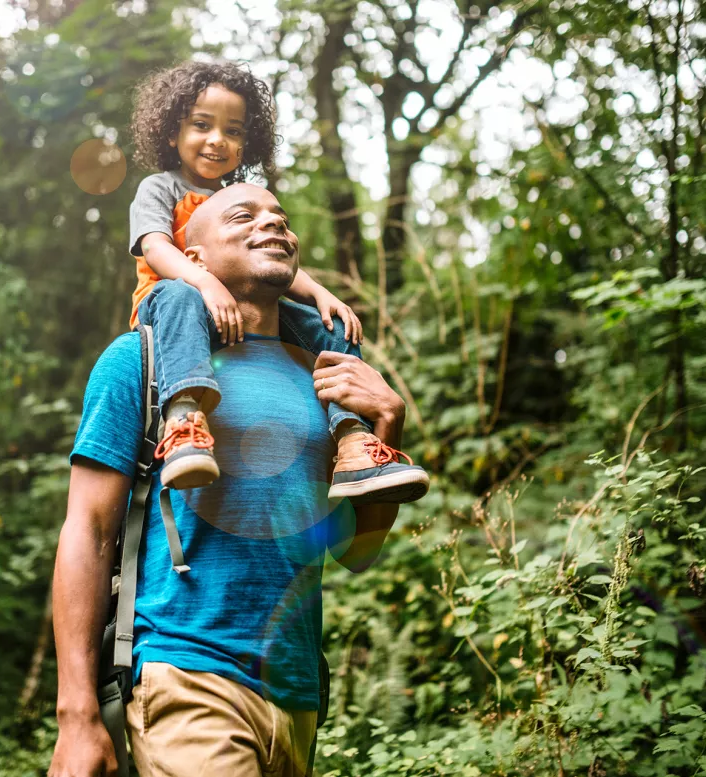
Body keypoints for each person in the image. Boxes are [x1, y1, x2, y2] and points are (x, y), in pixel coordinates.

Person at [48, 184, 421, 777]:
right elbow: (87, 531)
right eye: (244, 216)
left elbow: (357, 552)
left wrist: (387, 425)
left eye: (282, 217)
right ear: (192, 259)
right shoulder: (138, 360)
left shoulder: (327, 380)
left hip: (298, 698)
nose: (274, 224)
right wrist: (77, 714)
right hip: (184, 673)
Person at [126, 60, 428, 503]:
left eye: (233, 131)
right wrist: (204, 282)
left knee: (331, 327)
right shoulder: (161, 188)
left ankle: (352, 440)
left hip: (240, 312)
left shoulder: (242, 194)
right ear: (172, 133)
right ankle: (185, 419)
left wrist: (322, 295)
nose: (217, 140)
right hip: (174, 311)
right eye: (202, 125)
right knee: (177, 294)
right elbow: (155, 248)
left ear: (247, 144)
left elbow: (272, 262)